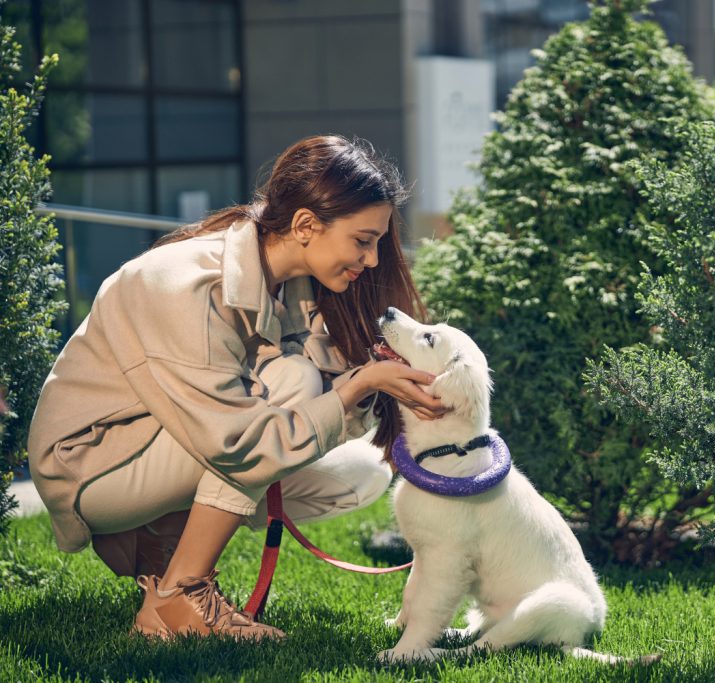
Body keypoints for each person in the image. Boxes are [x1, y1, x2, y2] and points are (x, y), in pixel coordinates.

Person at [27, 135, 447, 640]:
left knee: (360, 473)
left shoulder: (293, 284)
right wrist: (353, 387)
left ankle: (161, 542)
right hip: (91, 462)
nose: (373, 260)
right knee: (294, 381)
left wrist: (368, 384)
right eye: (363, 240)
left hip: (171, 442)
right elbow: (238, 440)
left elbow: (314, 411)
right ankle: (180, 593)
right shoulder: (185, 281)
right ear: (306, 225)